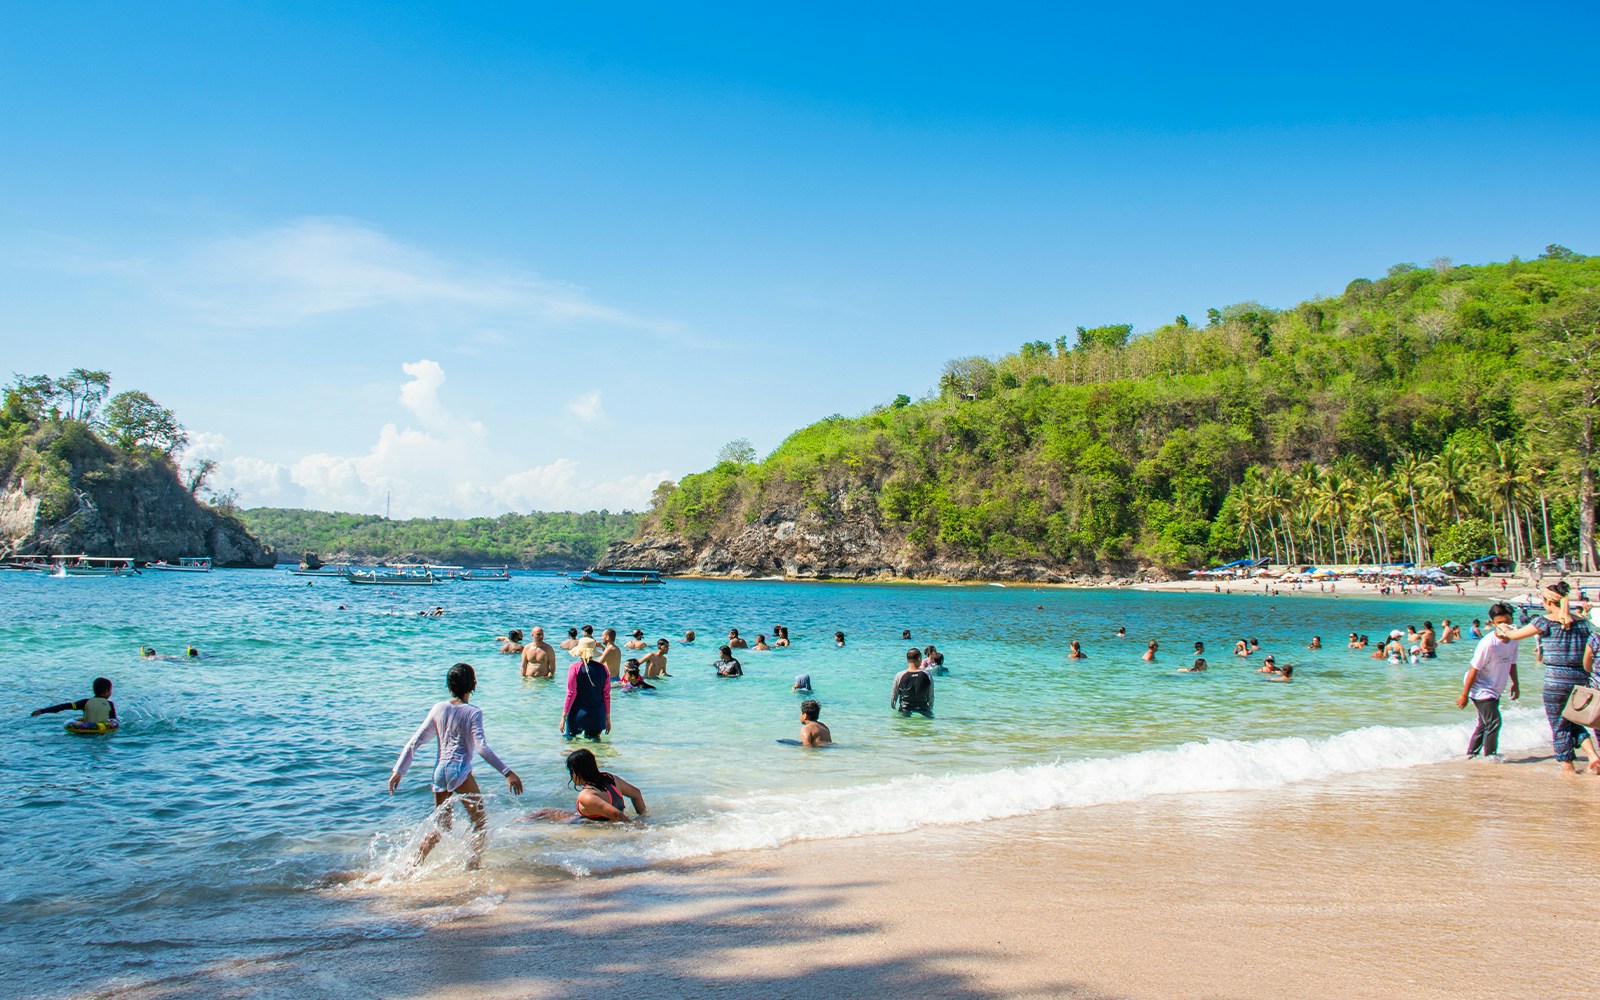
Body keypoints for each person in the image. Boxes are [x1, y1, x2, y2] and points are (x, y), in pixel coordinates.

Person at [389, 663, 523, 869]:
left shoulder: (438, 708)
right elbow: (481, 747)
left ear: (449, 687)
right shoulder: (473, 712)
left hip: (439, 773)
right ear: (474, 685)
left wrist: (399, 771)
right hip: (459, 770)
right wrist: (507, 772)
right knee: (480, 823)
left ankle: (412, 865)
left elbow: (415, 742)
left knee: (441, 828)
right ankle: (473, 865)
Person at [1495, 581, 1595, 774]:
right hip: (1580, 680)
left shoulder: (1544, 621)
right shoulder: (1583, 623)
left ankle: (1568, 768)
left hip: (1555, 680)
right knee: (1574, 720)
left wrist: (1504, 628)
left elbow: (1515, 636)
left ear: (1548, 600)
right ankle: (1593, 756)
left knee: (1559, 724)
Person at [1458, 602, 1521, 759]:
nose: (1504, 625)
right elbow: (1474, 669)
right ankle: (1491, 756)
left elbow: (1512, 663)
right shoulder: (1487, 644)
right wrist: (1464, 695)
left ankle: (1471, 754)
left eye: (1507, 621)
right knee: (1494, 722)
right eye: (1500, 623)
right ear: (1493, 623)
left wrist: (1516, 684)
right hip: (1480, 688)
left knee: (1484, 723)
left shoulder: (1514, 639)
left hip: (1495, 688)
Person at [567, 748, 646, 821]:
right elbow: (636, 793)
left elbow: (617, 815)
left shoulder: (586, 795)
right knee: (557, 813)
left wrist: (638, 828)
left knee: (557, 817)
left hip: (597, 833)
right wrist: (643, 818)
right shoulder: (611, 779)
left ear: (575, 772)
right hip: (610, 827)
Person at [561, 644, 612, 739]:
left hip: (578, 714)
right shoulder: (603, 668)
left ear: (579, 652)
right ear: (593, 653)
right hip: (597, 714)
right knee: (596, 745)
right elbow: (606, 696)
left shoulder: (575, 668)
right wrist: (608, 719)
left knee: (570, 741)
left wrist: (563, 717)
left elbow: (571, 693)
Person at [32, 677, 117, 730]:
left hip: (84, 731)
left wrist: (42, 711)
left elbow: (63, 706)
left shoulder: (85, 702)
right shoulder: (110, 704)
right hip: (102, 732)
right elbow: (114, 721)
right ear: (106, 691)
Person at [890, 648, 934, 717]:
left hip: (905, 708)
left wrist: (893, 707)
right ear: (919, 659)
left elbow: (894, 695)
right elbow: (931, 695)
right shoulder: (927, 674)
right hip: (923, 708)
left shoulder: (900, 675)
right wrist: (930, 708)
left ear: (907, 659)